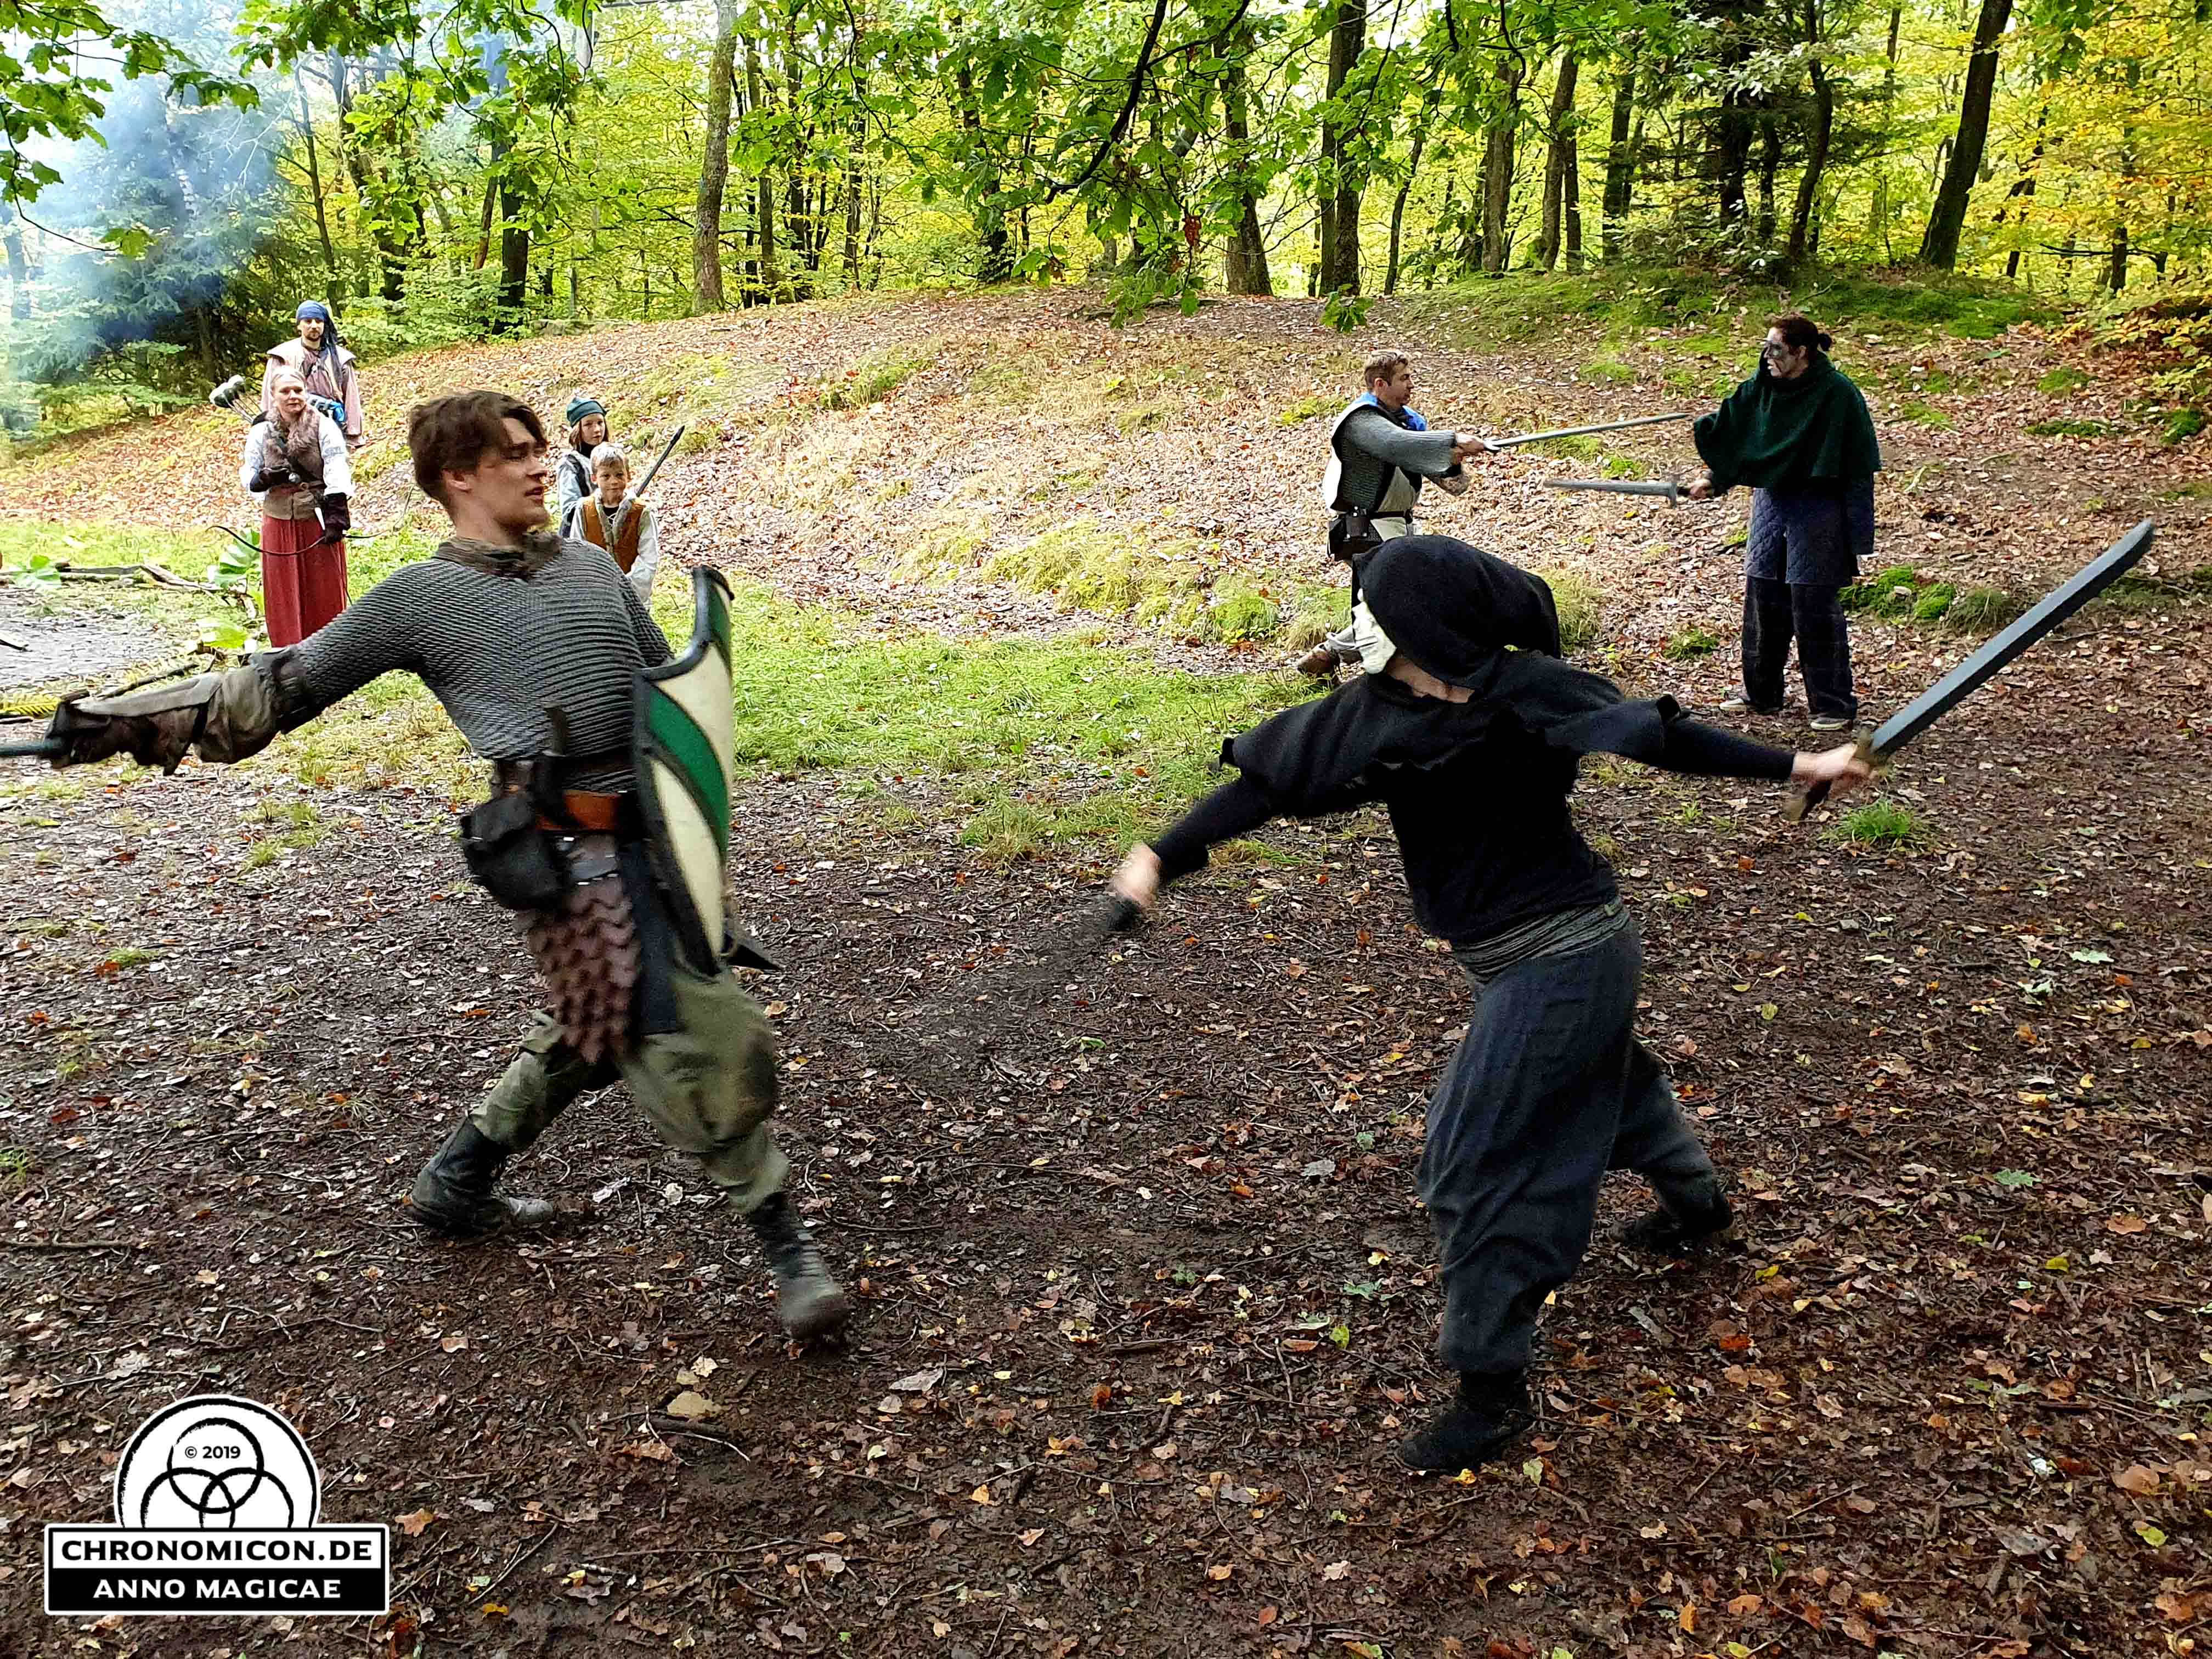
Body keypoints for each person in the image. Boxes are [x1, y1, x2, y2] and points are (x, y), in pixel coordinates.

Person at [45, 390, 850, 1341]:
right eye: (516, 452)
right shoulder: (419, 601)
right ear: (458, 475)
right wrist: (128, 720)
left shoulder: (592, 568)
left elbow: (660, 690)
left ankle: (459, 1177)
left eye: (541, 447)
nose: (540, 464)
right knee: (687, 1026)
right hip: (566, 853)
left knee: (597, 1019)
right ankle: (786, 1246)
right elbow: (283, 683)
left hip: (657, 836)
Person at [1108, 535, 1871, 1473]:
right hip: (1511, 960)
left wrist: (1798, 764)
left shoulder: (1529, 692)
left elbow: (1662, 736)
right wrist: (1159, 857)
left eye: (1377, 609)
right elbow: (1263, 786)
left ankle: (1489, 1383)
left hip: (1571, 951)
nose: (1363, 625)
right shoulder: (1377, 710)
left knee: (1476, 1158)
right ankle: (1698, 1206)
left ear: (1425, 624)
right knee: (1604, 1076)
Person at [1687, 312, 1881, 733]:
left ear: (1802, 352)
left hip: (1819, 510)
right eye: (1766, 347)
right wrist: (1714, 480)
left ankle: (1833, 704)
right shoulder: (1762, 387)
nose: (1767, 356)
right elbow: (1742, 440)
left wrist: (1858, 535)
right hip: (1771, 504)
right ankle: (1762, 693)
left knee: (1814, 606)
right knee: (1762, 598)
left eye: (1776, 349)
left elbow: (1858, 469)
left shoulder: (1839, 395)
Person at [1295, 349, 1488, 678]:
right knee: (1401, 603)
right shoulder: (1361, 421)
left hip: (1399, 527)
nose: (1411, 385)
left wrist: (1453, 460)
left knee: (1394, 606)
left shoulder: (1411, 424)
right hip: (1363, 528)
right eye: (1404, 378)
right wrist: (1453, 439)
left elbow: (1454, 486)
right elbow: (1395, 444)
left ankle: (1328, 656)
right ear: (1381, 385)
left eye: (1411, 377)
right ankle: (1346, 660)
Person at [241, 368, 353, 648]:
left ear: (306, 392)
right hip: (278, 519)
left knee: (323, 587)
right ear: (273, 395)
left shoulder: (323, 425)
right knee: (282, 587)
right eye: (285, 391)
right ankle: (286, 648)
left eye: (298, 390)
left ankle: (328, 648)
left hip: (315, 517)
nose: (293, 396)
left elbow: (336, 465)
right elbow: (250, 469)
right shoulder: (262, 430)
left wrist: (337, 512)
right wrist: (262, 479)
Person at [262, 301, 364, 450]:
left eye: (319, 321)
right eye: (308, 321)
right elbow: (270, 396)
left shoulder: (341, 358)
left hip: (332, 425)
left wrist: (352, 436)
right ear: (299, 325)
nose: (314, 326)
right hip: (291, 428)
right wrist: (270, 428)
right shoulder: (282, 356)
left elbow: (351, 398)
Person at [572, 441, 660, 605]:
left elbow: (649, 559)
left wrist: (627, 591)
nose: (614, 482)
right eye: (606, 476)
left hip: (634, 598)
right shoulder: (584, 510)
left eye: (619, 475)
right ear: (594, 478)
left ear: (628, 475)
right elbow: (578, 554)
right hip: (597, 596)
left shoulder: (642, 513)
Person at [556, 397, 609, 534]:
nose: (597, 429)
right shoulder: (570, 464)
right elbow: (570, 512)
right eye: (588, 425)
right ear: (577, 429)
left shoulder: (611, 456)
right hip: (580, 537)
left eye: (600, 423)